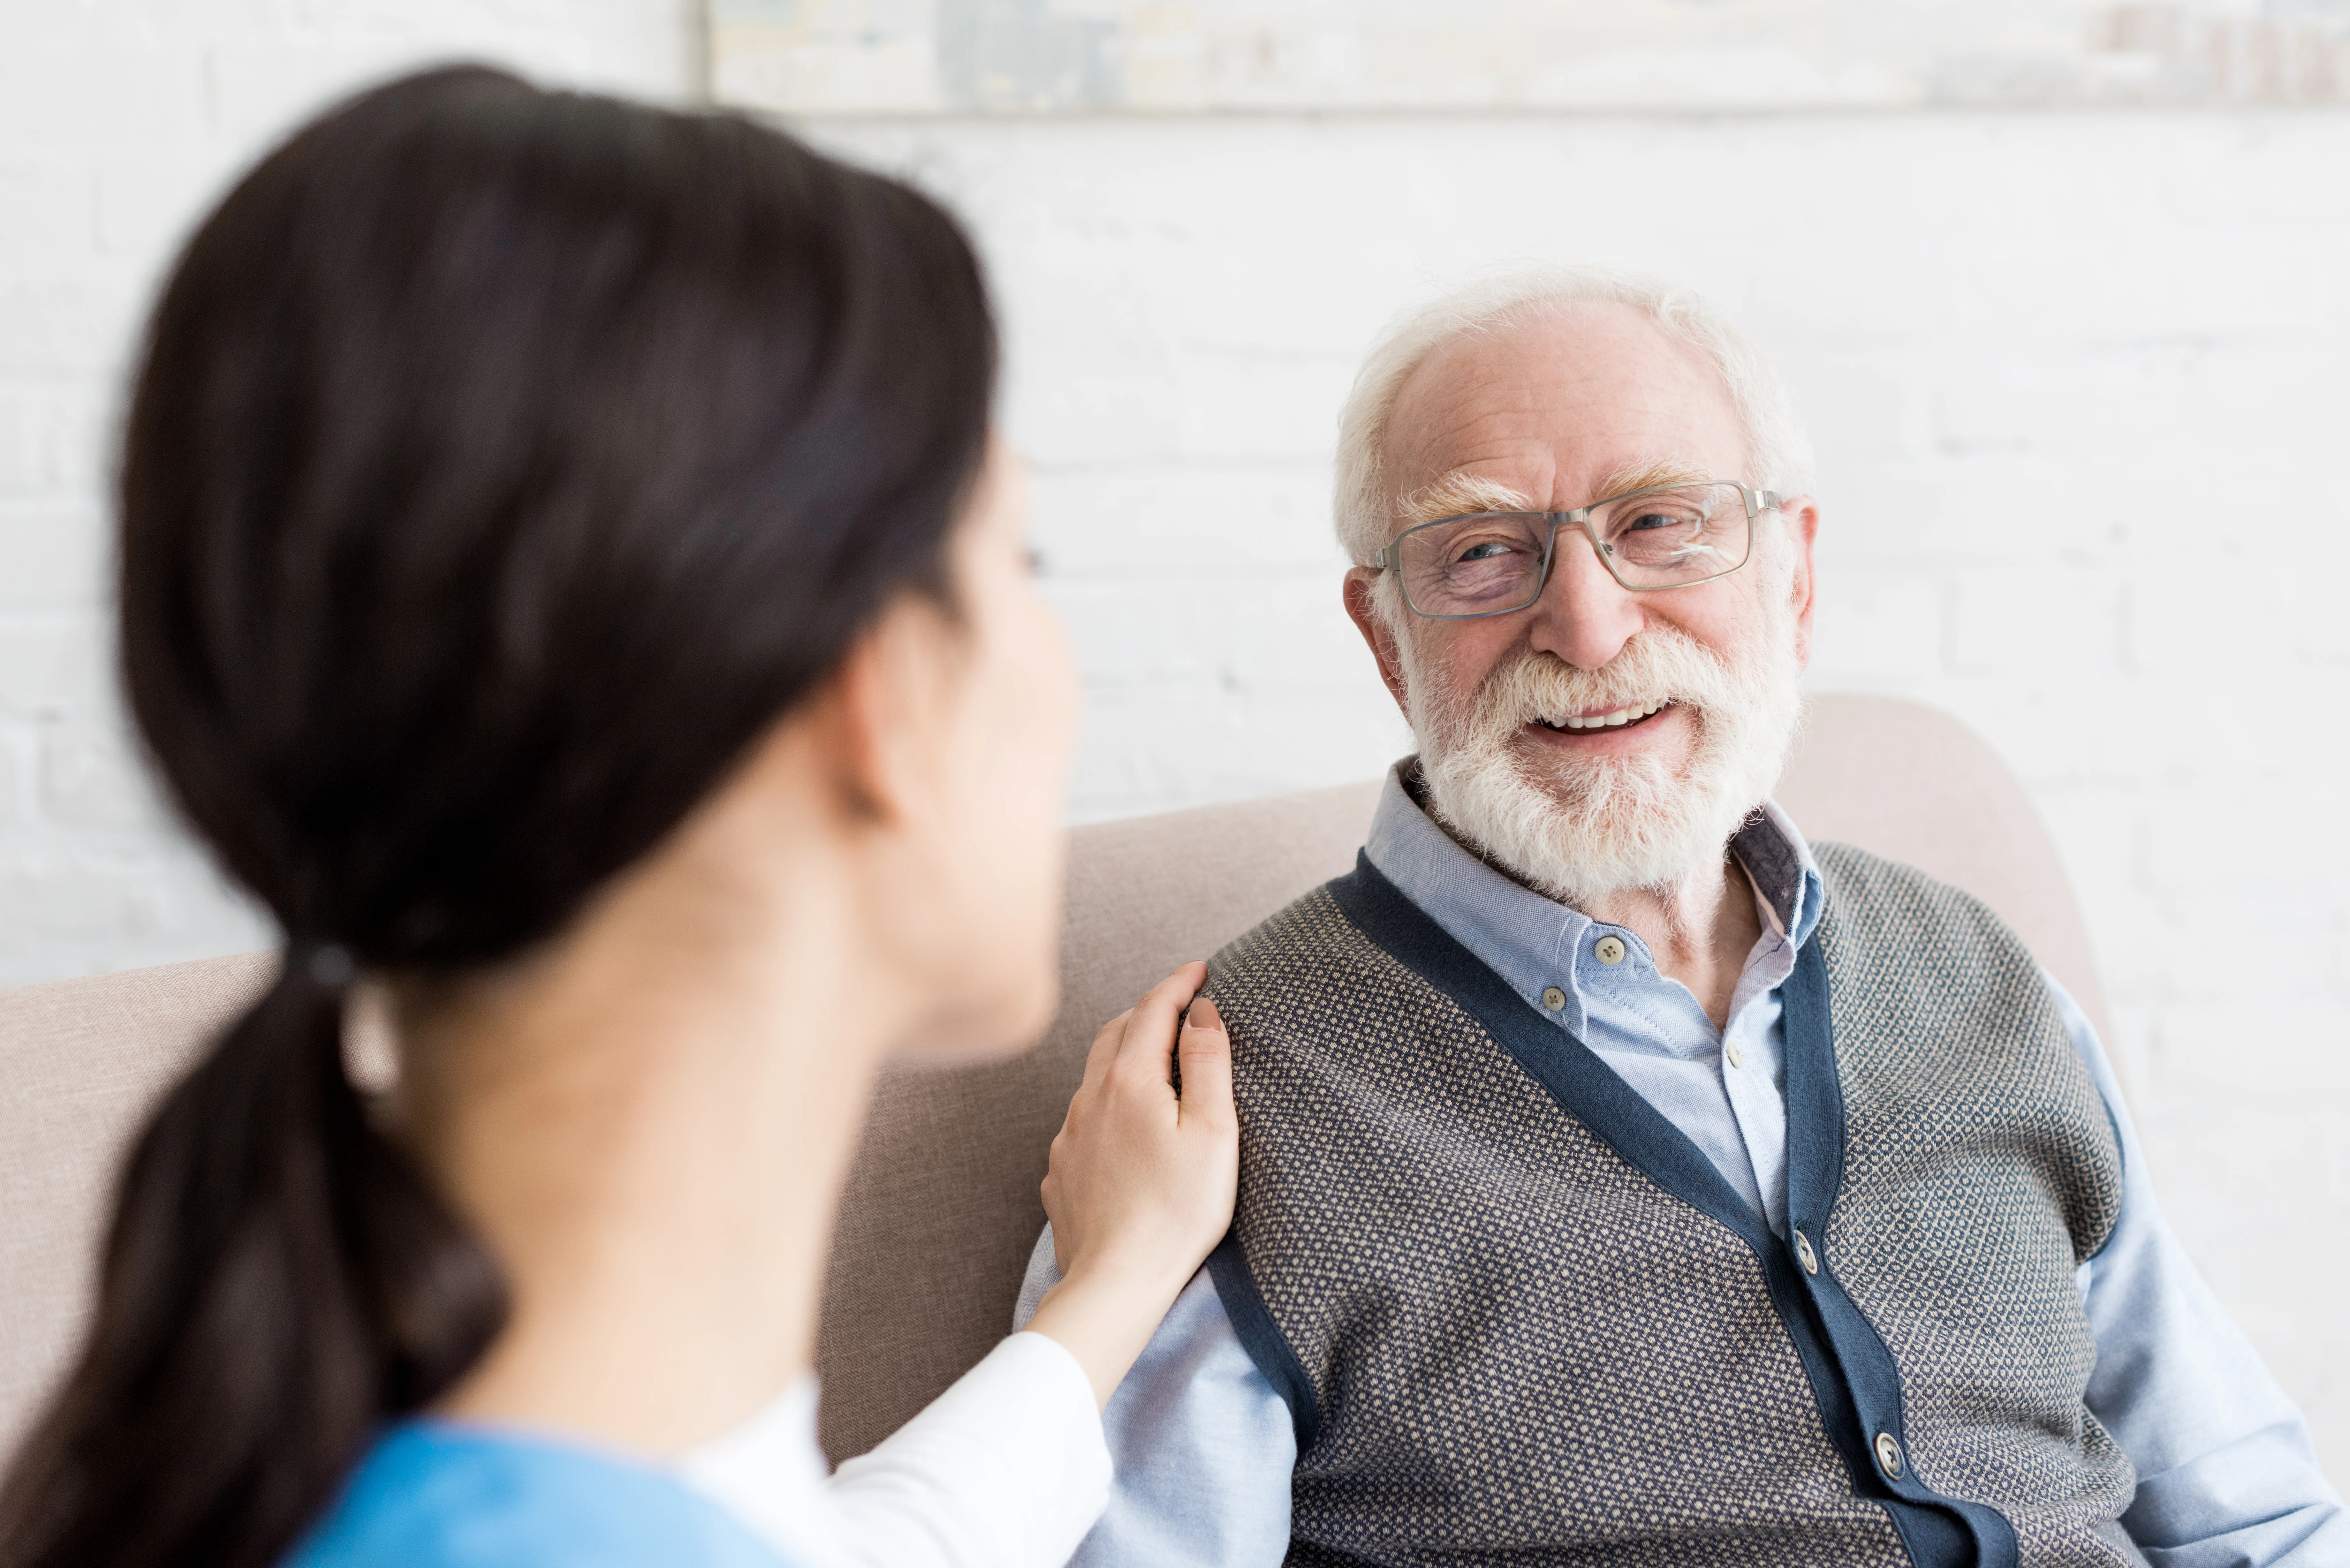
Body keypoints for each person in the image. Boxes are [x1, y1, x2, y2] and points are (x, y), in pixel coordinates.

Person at [0, 66, 1239, 1568]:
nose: (1056, 668)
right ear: (886, 689)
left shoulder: (431, 1461)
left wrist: (1106, 1294)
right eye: (1015, 558)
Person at [1017, 266, 2349, 1566]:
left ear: (1795, 575)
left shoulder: (1979, 978)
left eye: (1661, 524)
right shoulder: (1213, 1114)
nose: (1588, 628)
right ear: (1384, 637)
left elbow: (2254, 1516)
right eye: (1483, 552)